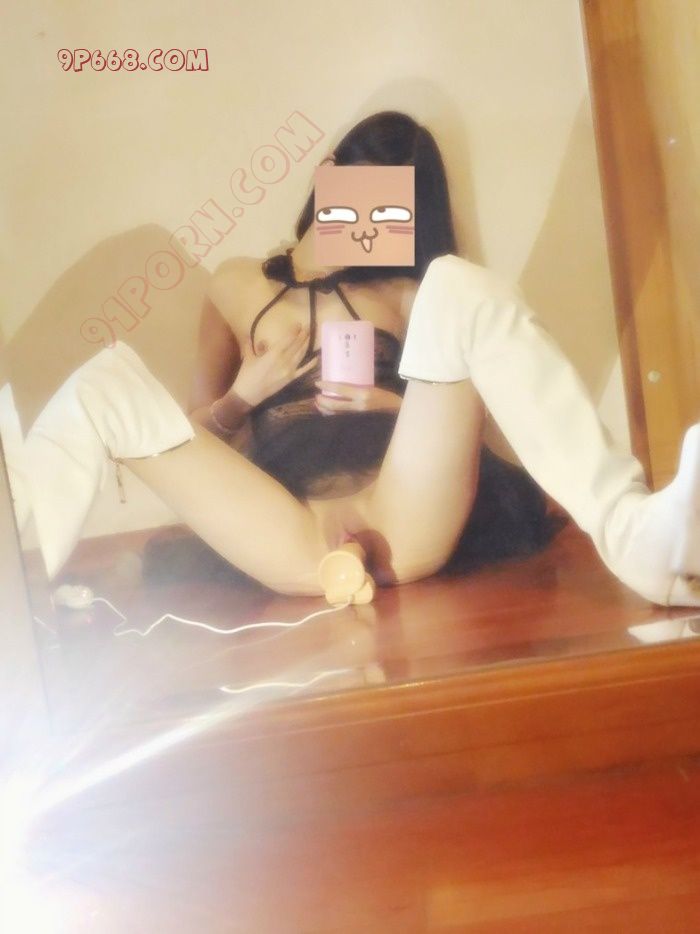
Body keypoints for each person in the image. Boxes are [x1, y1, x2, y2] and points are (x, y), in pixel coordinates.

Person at [9, 113, 700, 606]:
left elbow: (471, 421)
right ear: (327, 178)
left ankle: (634, 536)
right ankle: (14, 578)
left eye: (391, 211)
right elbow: (194, 433)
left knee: (459, 282)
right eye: (362, 200)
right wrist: (244, 395)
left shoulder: (407, 292)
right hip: (285, 520)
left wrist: (391, 403)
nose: (370, 224)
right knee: (105, 384)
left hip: (401, 510)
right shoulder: (235, 283)